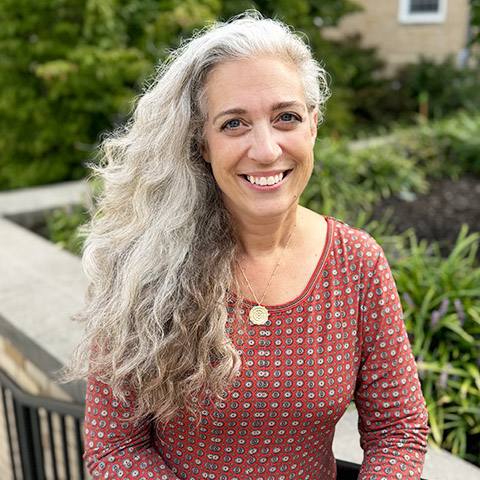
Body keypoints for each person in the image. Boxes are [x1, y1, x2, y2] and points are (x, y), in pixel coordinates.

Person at [68, 11, 429, 480]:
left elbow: (397, 431)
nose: (265, 148)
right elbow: (115, 449)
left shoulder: (357, 262)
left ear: (313, 126)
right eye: (234, 123)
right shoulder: (142, 265)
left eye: (286, 118)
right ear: (202, 143)